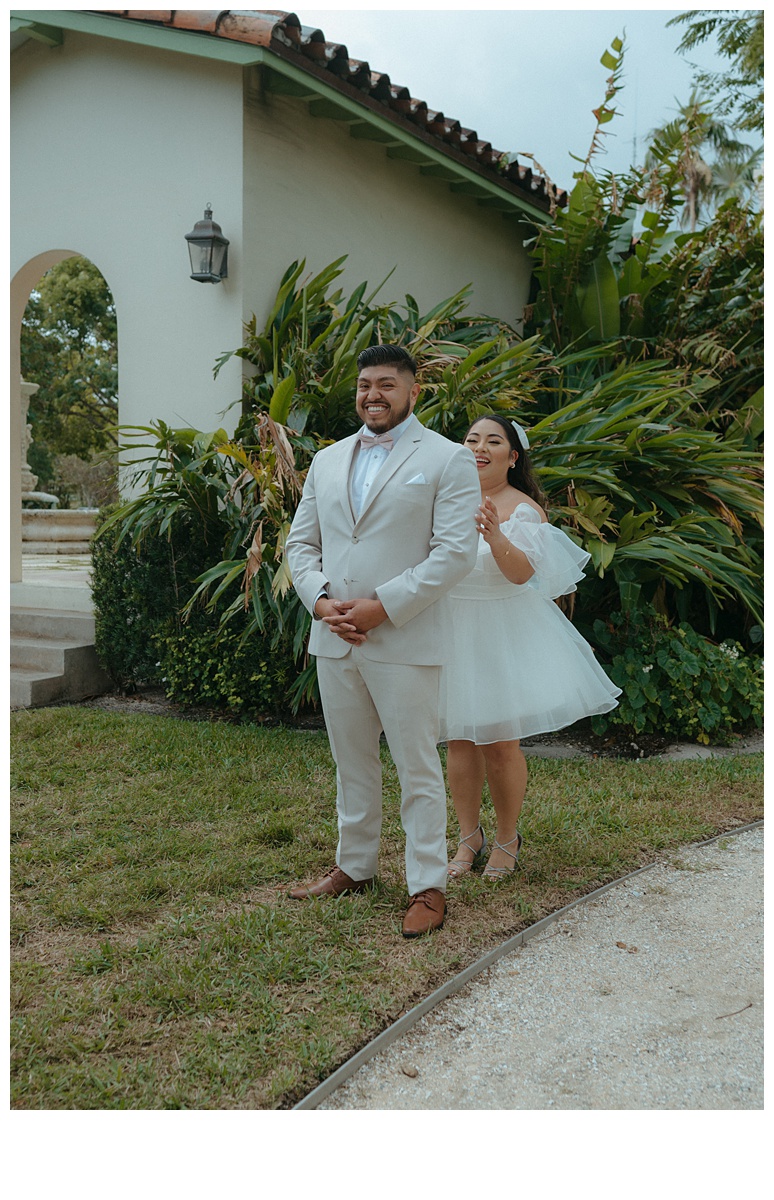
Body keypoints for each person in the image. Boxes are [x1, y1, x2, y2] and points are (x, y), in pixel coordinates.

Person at [285, 345, 480, 937]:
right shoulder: (326, 459)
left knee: (417, 765)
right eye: (366, 384)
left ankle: (427, 884)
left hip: (405, 637)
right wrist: (320, 601)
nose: (374, 394)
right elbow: (300, 544)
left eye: (388, 385)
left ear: (413, 391)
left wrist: (381, 608)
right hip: (335, 638)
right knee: (352, 761)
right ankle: (355, 865)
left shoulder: (448, 460)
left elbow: (454, 554)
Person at [441, 414, 621, 880]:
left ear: (512, 456)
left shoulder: (523, 510)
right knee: (458, 739)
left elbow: (522, 574)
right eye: (472, 439)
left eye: (493, 441)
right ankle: (467, 837)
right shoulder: (445, 498)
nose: (479, 448)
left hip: (503, 631)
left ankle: (506, 838)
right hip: (451, 627)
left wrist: (494, 534)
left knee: (500, 743)